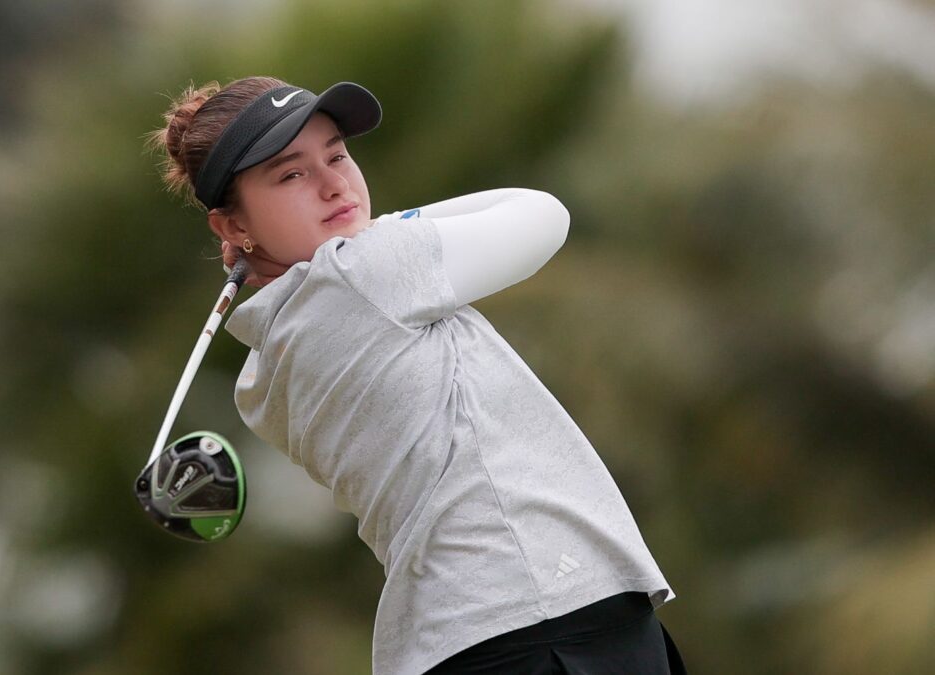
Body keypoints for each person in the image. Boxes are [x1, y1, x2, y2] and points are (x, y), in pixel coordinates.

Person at [150, 76, 686, 675]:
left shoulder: (264, 371)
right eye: (291, 174)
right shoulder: (367, 274)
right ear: (230, 228)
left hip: (481, 636)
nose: (334, 185)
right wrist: (379, 229)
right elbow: (541, 212)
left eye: (337, 155)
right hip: (543, 623)